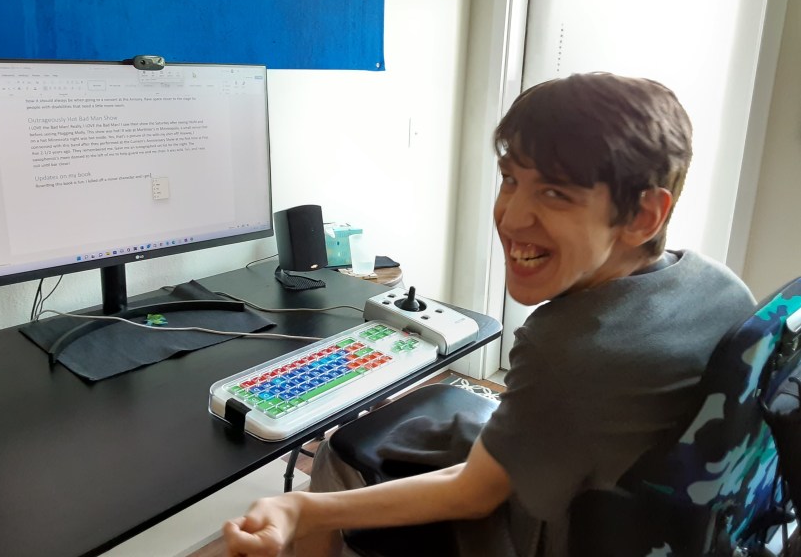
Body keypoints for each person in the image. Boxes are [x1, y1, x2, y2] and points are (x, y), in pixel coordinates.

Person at [222, 73, 756, 557]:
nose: (512, 215)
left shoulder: (569, 348)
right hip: (650, 513)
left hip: (542, 534)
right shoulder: (720, 285)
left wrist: (298, 508)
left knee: (341, 452)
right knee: (432, 419)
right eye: (510, 179)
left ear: (643, 214)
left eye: (554, 192)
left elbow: (476, 494)